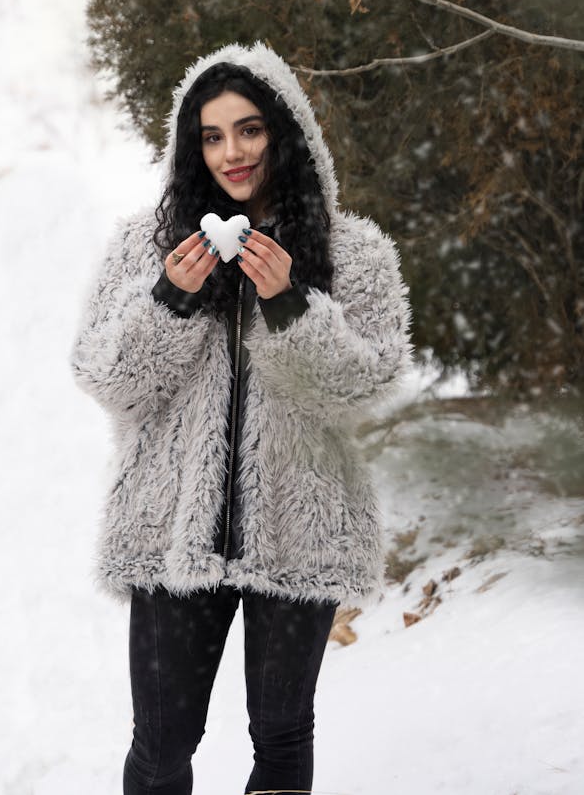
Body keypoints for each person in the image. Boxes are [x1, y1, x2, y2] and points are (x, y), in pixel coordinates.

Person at [70, 41, 412, 795]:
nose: (233, 151)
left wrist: (291, 304)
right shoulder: (146, 245)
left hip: (303, 524)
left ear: (285, 131)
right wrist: (169, 300)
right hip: (170, 530)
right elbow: (105, 375)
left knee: (283, 735)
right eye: (213, 135)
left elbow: (367, 383)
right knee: (161, 743)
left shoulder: (352, 253)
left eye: (250, 129)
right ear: (192, 145)